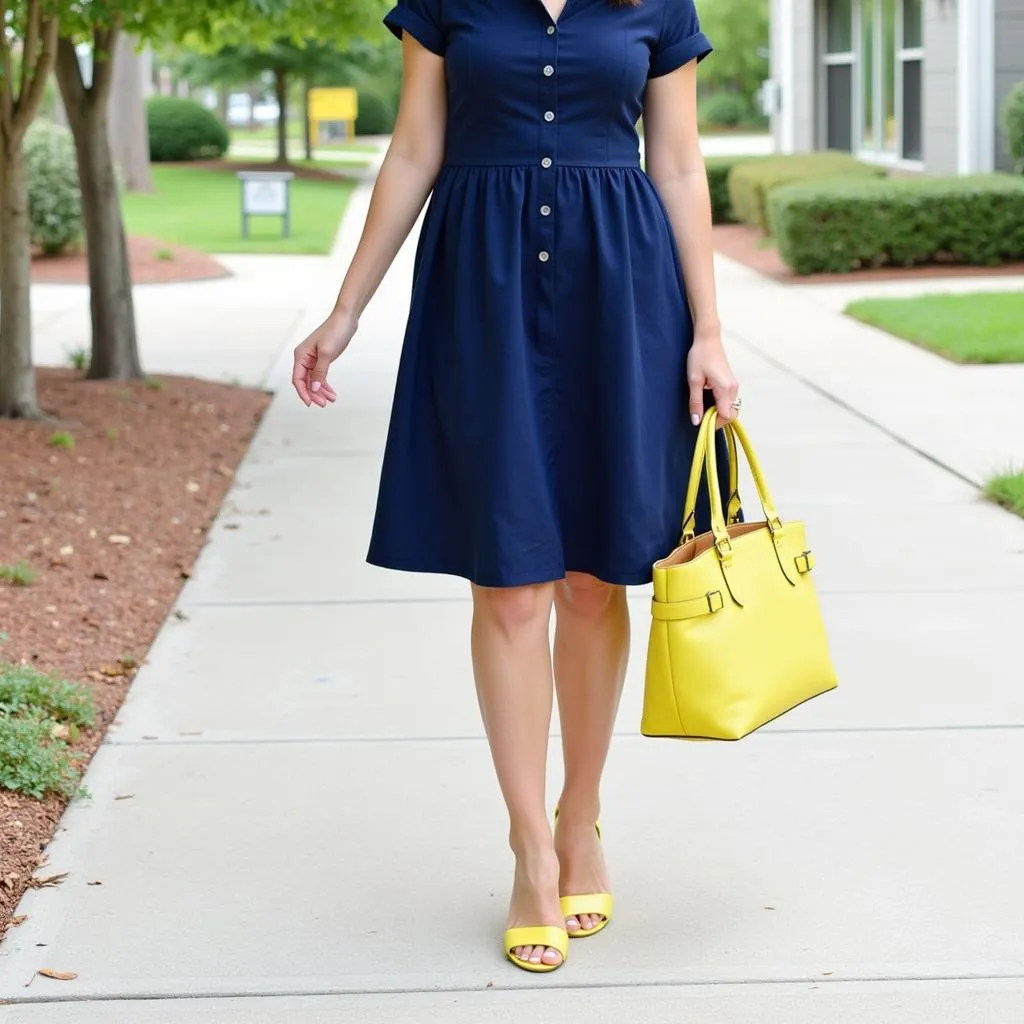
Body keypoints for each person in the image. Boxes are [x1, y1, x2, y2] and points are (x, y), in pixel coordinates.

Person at [291, 0, 740, 975]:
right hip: (479, 292)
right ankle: (530, 847)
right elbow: (415, 150)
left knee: (591, 580)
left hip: (620, 295)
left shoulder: (654, 6)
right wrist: (346, 311)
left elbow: (676, 162)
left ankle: (580, 819)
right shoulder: (448, 4)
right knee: (509, 585)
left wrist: (706, 330)